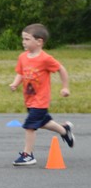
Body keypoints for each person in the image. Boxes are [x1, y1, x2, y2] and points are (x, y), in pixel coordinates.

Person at [8, 23, 73, 166]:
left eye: (27, 39)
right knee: (43, 123)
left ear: (39, 41)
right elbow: (21, 72)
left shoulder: (45, 59)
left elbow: (61, 69)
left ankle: (28, 155)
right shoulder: (23, 57)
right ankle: (64, 130)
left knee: (29, 126)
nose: (23, 42)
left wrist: (65, 87)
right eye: (23, 39)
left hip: (40, 100)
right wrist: (15, 83)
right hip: (29, 99)